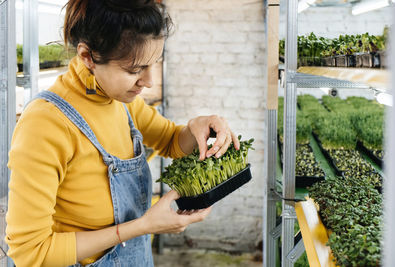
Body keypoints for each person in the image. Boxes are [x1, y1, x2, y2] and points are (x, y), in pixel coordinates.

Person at [5, 0, 240, 266]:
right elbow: (30, 252)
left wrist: (198, 126)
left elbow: (171, 141)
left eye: (154, 63)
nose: (149, 81)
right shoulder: (46, 124)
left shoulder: (118, 99)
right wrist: (142, 226)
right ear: (87, 57)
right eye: (135, 69)